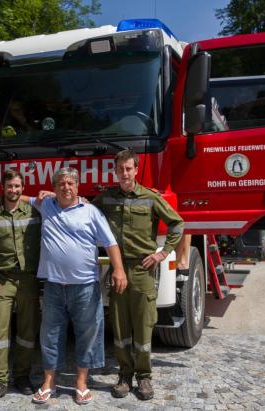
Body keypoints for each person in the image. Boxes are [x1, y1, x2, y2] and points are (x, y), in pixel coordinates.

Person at [30, 167, 127, 405]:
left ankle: (81, 382)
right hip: (53, 286)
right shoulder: (47, 205)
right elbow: (19, 197)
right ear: (54, 188)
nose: (66, 187)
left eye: (70, 183)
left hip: (84, 286)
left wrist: (119, 269)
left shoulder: (90, 211)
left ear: (77, 186)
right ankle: (49, 381)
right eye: (61, 184)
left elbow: (110, 242)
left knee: (87, 334)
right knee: (50, 335)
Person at [92, 149, 184, 401]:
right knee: (120, 325)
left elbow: (177, 223)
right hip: (118, 269)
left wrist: (162, 254)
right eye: (120, 169)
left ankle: (144, 377)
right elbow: (86, 212)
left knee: (143, 327)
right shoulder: (107, 198)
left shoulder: (150, 198)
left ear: (136, 169)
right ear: (116, 171)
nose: (124, 173)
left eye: (129, 168)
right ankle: (124, 376)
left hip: (143, 270)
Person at [0, 169, 42, 406]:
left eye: (17, 186)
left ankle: (22, 376)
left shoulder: (36, 211)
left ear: (23, 188)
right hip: (3, 279)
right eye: (9, 187)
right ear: (2, 188)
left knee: (27, 332)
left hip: (29, 279)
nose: (13, 190)